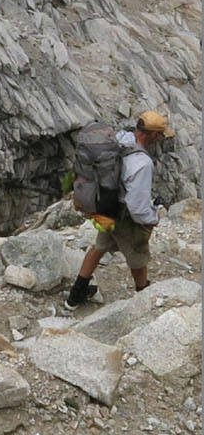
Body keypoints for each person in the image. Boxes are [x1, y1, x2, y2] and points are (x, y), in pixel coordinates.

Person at [64, 109, 174, 309]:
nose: (160, 138)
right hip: (124, 216)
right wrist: (153, 218)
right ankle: (144, 296)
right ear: (151, 134)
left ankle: (75, 295)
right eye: (159, 134)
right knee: (138, 256)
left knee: (100, 247)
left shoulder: (120, 138)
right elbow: (137, 206)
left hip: (106, 207)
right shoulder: (142, 163)